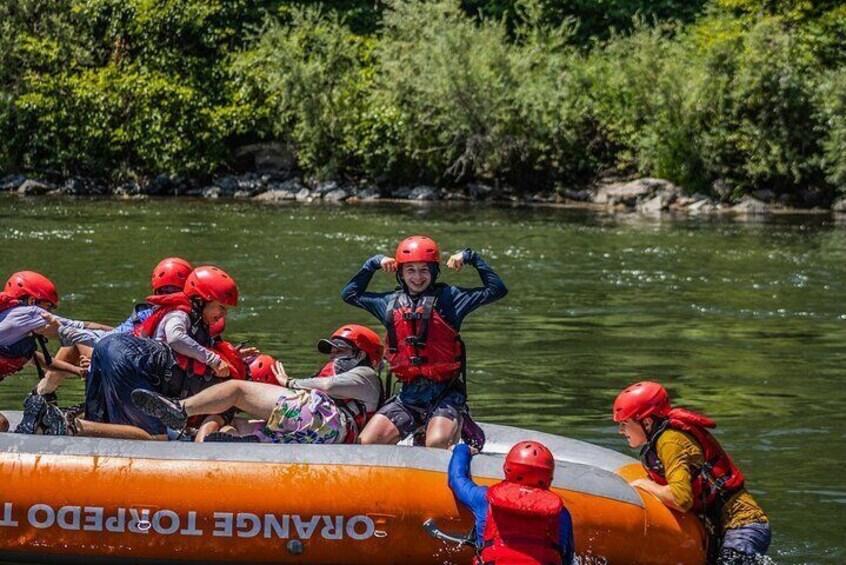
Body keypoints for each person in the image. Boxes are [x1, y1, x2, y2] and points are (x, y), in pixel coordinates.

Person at [341, 235, 507, 449]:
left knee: (436, 443)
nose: (417, 277)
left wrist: (470, 257)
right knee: (367, 442)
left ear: (434, 272)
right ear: (400, 273)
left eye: (424, 270)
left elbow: (497, 290)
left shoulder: (451, 299)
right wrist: (373, 263)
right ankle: (418, 427)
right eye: (410, 270)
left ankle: (458, 419)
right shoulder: (387, 303)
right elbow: (350, 294)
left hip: (445, 393)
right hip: (409, 395)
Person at [132, 324, 384, 445]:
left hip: (326, 420)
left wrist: (290, 382)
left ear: (362, 355)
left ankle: (180, 409)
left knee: (236, 390)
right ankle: (234, 444)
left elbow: (327, 387)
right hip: (321, 437)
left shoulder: (367, 377)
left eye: (340, 350)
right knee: (236, 427)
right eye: (331, 350)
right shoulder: (348, 379)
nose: (332, 355)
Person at [613, 381, 770, 564]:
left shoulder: (671, 442)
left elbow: (681, 499)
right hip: (719, 528)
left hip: (743, 525)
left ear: (646, 422)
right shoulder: (663, 439)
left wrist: (646, 484)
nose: (620, 431)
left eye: (625, 423)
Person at [74, 265, 241, 436]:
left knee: (98, 424)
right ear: (202, 299)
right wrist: (213, 360)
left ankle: (73, 426)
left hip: (112, 350)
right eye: (221, 307)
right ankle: (71, 427)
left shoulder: (189, 318)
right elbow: (175, 338)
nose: (223, 314)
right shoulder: (181, 315)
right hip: (125, 356)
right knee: (153, 437)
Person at [34, 257, 193, 399]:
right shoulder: (152, 314)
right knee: (78, 342)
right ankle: (43, 394)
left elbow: (121, 343)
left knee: (78, 342)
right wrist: (85, 331)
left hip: (140, 374)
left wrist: (88, 351)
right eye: (164, 291)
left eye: (172, 291)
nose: (168, 295)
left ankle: (42, 394)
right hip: (136, 365)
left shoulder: (167, 317)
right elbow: (119, 333)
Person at [0, 271, 109, 433]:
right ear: (31, 300)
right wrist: (122, 335)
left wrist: (77, 370)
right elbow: (82, 327)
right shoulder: (29, 313)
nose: (50, 313)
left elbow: (34, 358)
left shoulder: (13, 325)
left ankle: (39, 398)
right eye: (48, 306)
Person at [448, 440, 575, 564]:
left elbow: (456, 479)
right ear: (549, 477)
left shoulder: (485, 499)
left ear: (507, 469)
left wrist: (462, 449)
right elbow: (567, 558)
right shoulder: (561, 514)